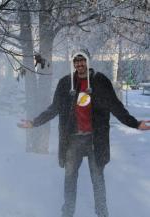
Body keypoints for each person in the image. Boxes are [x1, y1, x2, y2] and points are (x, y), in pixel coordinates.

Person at [18, 49, 150, 217]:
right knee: (70, 180)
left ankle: (102, 214)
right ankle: (68, 213)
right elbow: (54, 108)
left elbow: (115, 106)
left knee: (98, 181)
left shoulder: (100, 81)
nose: (79, 64)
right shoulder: (66, 83)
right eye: (76, 60)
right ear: (73, 63)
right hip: (73, 141)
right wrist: (34, 122)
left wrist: (136, 123)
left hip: (95, 140)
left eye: (82, 60)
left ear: (88, 61)